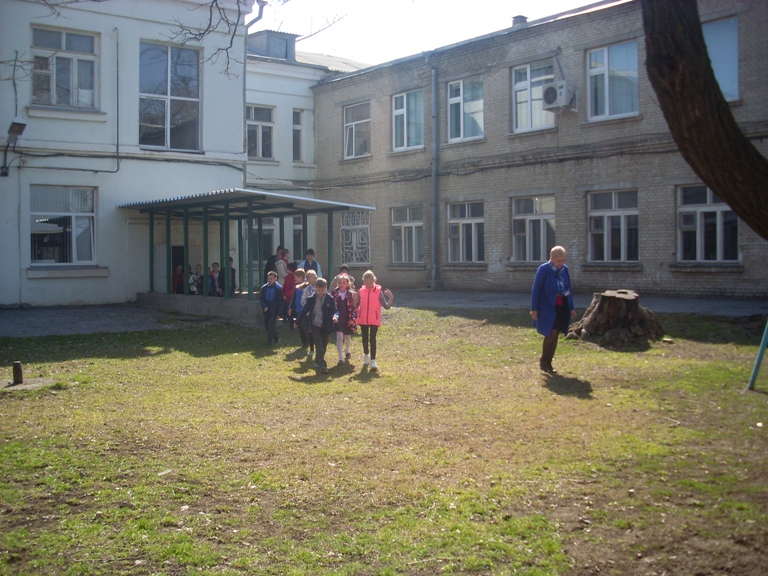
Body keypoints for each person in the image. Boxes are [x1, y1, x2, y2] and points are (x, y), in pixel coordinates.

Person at [530, 245, 576, 374]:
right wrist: (534, 309)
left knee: (556, 332)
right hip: (547, 307)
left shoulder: (564, 269)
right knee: (550, 332)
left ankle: (549, 362)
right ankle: (544, 361)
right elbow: (536, 290)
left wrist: (571, 307)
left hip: (561, 306)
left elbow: (568, 289)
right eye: (558, 261)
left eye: (562, 260)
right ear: (552, 259)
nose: (561, 263)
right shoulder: (544, 269)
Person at [295, 277, 337, 373]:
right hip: (315, 325)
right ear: (315, 288)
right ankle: (322, 365)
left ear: (326, 287)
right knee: (319, 345)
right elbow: (304, 311)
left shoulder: (330, 299)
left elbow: (335, 310)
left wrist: (335, 316)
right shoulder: (311, 299)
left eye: (322, 290)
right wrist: (297, 322)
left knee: (324, 346)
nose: (321, 292)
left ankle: (318, 362)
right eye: (319, 290)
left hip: (326, 326)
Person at [356, 270, 394, 371]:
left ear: (374, 281)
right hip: (363, 319)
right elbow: (356, 305)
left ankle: (373, 360)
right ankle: (366, 355)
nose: (368, 285)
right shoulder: (361, 292)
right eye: (366, 283)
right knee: (364, 339)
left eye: (370, 283)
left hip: (374, 319)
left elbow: (386, 306)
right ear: (363, 282)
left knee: (372, 339)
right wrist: (353, 300)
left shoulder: (378, 292)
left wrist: (391, 298)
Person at [331, 274, 358, 365]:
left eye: (344, 283)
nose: (341, 284)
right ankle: (340, 357)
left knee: (347, 337)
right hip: (338, 319)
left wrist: (353, 319)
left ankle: (347, 350)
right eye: (340, 282)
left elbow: (355, 308)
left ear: (347, 284)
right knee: (339, 336)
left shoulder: (351, 294)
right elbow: (332, 307)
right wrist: (333, 316)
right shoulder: (334, 293)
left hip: (348, 318)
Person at [260, 271, 284, 347]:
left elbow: (281, 301)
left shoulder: (278, 288)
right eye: (268, 278)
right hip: (267, 310)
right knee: (267, 325)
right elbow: (262, 299)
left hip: (274, 310)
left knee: (271, 326)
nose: (270, 280)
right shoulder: (264, 288)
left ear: (275, 279)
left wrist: (279, 313)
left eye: (271, 278)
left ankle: (269, 343)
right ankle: (276, 336)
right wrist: (264, 306)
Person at [288, 268, 309, 349]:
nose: (295, 279)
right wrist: (290, 307)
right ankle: (304, 342)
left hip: (305, 310)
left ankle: (307, 341)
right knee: (300, 326)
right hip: (298, 310)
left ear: (300, 277)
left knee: (304, 326)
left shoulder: (307, 286)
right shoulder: (297, 286)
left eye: (295, 277)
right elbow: (294, 297)